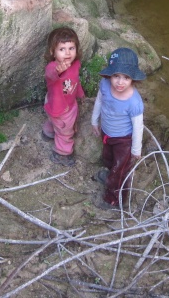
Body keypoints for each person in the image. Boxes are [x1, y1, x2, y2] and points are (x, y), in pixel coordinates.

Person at [91, 47, 146, 210]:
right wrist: (94, 120)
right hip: (107, 132)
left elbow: (138, 127)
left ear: (133, 80)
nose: (120, 82)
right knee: (108, 158)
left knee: (120, 169)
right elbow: (99, 102)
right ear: (110, 75)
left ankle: (114, 199)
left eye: (126, 77)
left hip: (124, 140)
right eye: (116, 76)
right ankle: (110, 176)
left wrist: (136, 149)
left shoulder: (134, 102)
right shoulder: (105, 85)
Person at [42, 27, 84, 166]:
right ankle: (62, 153)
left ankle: (48, 132)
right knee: (65, 132)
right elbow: (50, 74)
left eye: (71, 48)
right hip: (61, 109)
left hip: (58, 102)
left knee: (55, 122)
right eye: (62, 49)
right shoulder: (52, 67)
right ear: (52, 52)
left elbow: (75, 80)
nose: (67, 53)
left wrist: (80, 93)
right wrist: (58, 70)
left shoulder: (75, 64)